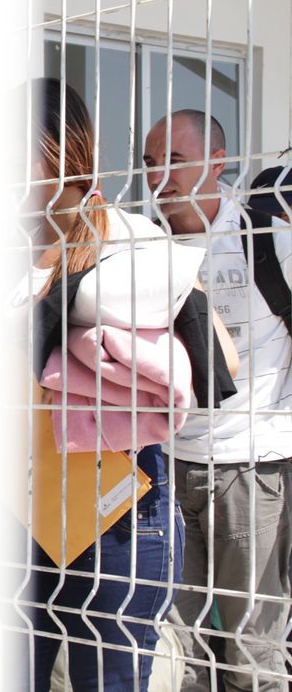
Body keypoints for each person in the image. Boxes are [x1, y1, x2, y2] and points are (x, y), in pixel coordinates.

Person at [19, 79, 230, 691]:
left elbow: (222, 363)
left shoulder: (132, 240)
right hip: (18, 501)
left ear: (62, 150)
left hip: (120, 505)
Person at [143, 110, 292, 692]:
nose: (159, 178)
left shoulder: (264, 232)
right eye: (151, 164)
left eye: (175, 162)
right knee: (180, 651)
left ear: (218, 163)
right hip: (165, 466)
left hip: (253, 466)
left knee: (253, 650)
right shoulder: (145, 242)